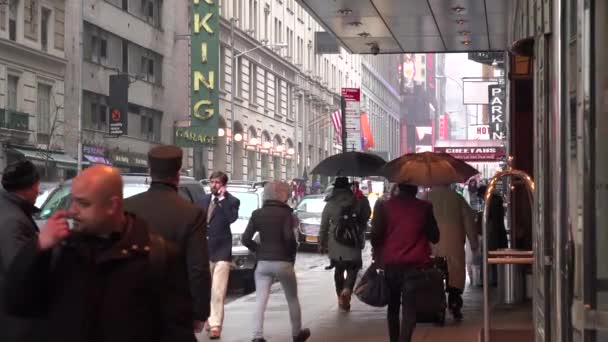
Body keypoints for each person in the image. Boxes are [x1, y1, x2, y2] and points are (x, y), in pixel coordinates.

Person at [2, 165, 195, 342]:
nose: (72, 211)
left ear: (112, 205)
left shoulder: (158, 257)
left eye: (83, 204)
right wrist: (38, 247)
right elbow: (18, 304)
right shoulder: (63, 251)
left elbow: (177, 332)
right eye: (73, 201)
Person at [124, 145, 212, 333]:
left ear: (150, 171)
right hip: (175, 312)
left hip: (131, 307)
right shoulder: (191, 213)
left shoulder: (128, 207)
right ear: (178, 174)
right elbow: (198, 268)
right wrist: (200, 312)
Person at [241, 181, 311, 342]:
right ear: (283, 196)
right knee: (292, 298)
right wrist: (291, 256)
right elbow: (289, 238)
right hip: (283, 262)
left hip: (263, 263)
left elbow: (246, 239)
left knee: (260, 300)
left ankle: (257, 336)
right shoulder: (287, 215)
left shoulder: (257, 213)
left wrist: (258, 250)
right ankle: (297, 333)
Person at [371, 183, 440, 342]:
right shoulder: (424, 207)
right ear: (415, 189)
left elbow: (375, 236)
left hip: (392, 265)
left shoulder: (384, 207)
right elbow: (435, 236)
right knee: (410, 310)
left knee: (393, 308)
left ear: (399, 188)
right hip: (415, 266)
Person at [0, 160, 42, 342]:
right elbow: (20, 272)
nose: (38, 191)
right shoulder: (14, 222)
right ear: (26, 187)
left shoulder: (7, 208)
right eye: (36, 185)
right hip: (14, 322)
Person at [198, 171, 240, 339]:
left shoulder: (232, 201)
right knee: (205, 289)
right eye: (212, 182)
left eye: (217, 183)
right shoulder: (202, 201)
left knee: (218, 290)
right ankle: (208, 318)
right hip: (204, 249)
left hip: (222, 250)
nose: (214, 185)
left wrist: (222, 201)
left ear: (224, 185)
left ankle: (215, 325)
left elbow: (231, 219)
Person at [427, 185, 479, 320]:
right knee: (455, 275)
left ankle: (438, 306)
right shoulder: (458, 198)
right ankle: (454, 303)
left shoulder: (426, 198)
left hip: (433, 245)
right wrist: (473, 243)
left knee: (434, 277)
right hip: (454, 243)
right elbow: (469, 221)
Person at [319, 177, 369, 312]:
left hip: (336, 242)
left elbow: (323, 226)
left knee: (339, 270)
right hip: (353, 240)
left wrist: (322, 243)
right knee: (352, 269)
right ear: (347, 187)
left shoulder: (330, 203)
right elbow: (365, 218)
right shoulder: (358, 201)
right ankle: (347, 290)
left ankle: (340, 297)